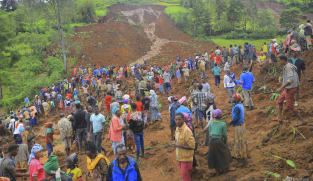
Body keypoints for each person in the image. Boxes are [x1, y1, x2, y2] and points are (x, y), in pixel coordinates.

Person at [276, 55, 306, 126]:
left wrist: (281, 87)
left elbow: (290, 80)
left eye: (279, 60)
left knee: (290, 106)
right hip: (287, 88)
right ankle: (280, 119)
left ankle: (302, 120)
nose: (278, 62)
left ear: (283, 60)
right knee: (279, 101)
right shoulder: (288, 65)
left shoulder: (288, 67)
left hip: (290, 89)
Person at [207, 109, 232, 175]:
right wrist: (225, 142)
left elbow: (210, 134)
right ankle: (225, 168)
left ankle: (217, 170)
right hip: (219, 140)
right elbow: (225, 135)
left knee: (214, 155)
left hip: (212, 141)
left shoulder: (211, 123)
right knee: (225, 153)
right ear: (220, 116)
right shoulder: (223, 124)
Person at [174, 113, 195, 181]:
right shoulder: (177, 129)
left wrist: (179, 145)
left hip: (186, 159)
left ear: (183, 120)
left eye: (179, 119)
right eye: (176, 119)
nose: (177, 121)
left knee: (186, 177)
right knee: (184, 176)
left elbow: (192, 146)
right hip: (180, 157)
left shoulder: (187, 131)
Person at [230, 94, 248, 165]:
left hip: (238, 126)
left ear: (237, 99)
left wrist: (230, 123)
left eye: (234, 98)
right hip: (241, 125)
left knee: (239, 141)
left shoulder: (237, 107)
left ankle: (241, 158)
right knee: (242, 140)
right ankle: (242, 154)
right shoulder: (240, 105)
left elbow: (235, 118)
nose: (232, 98)